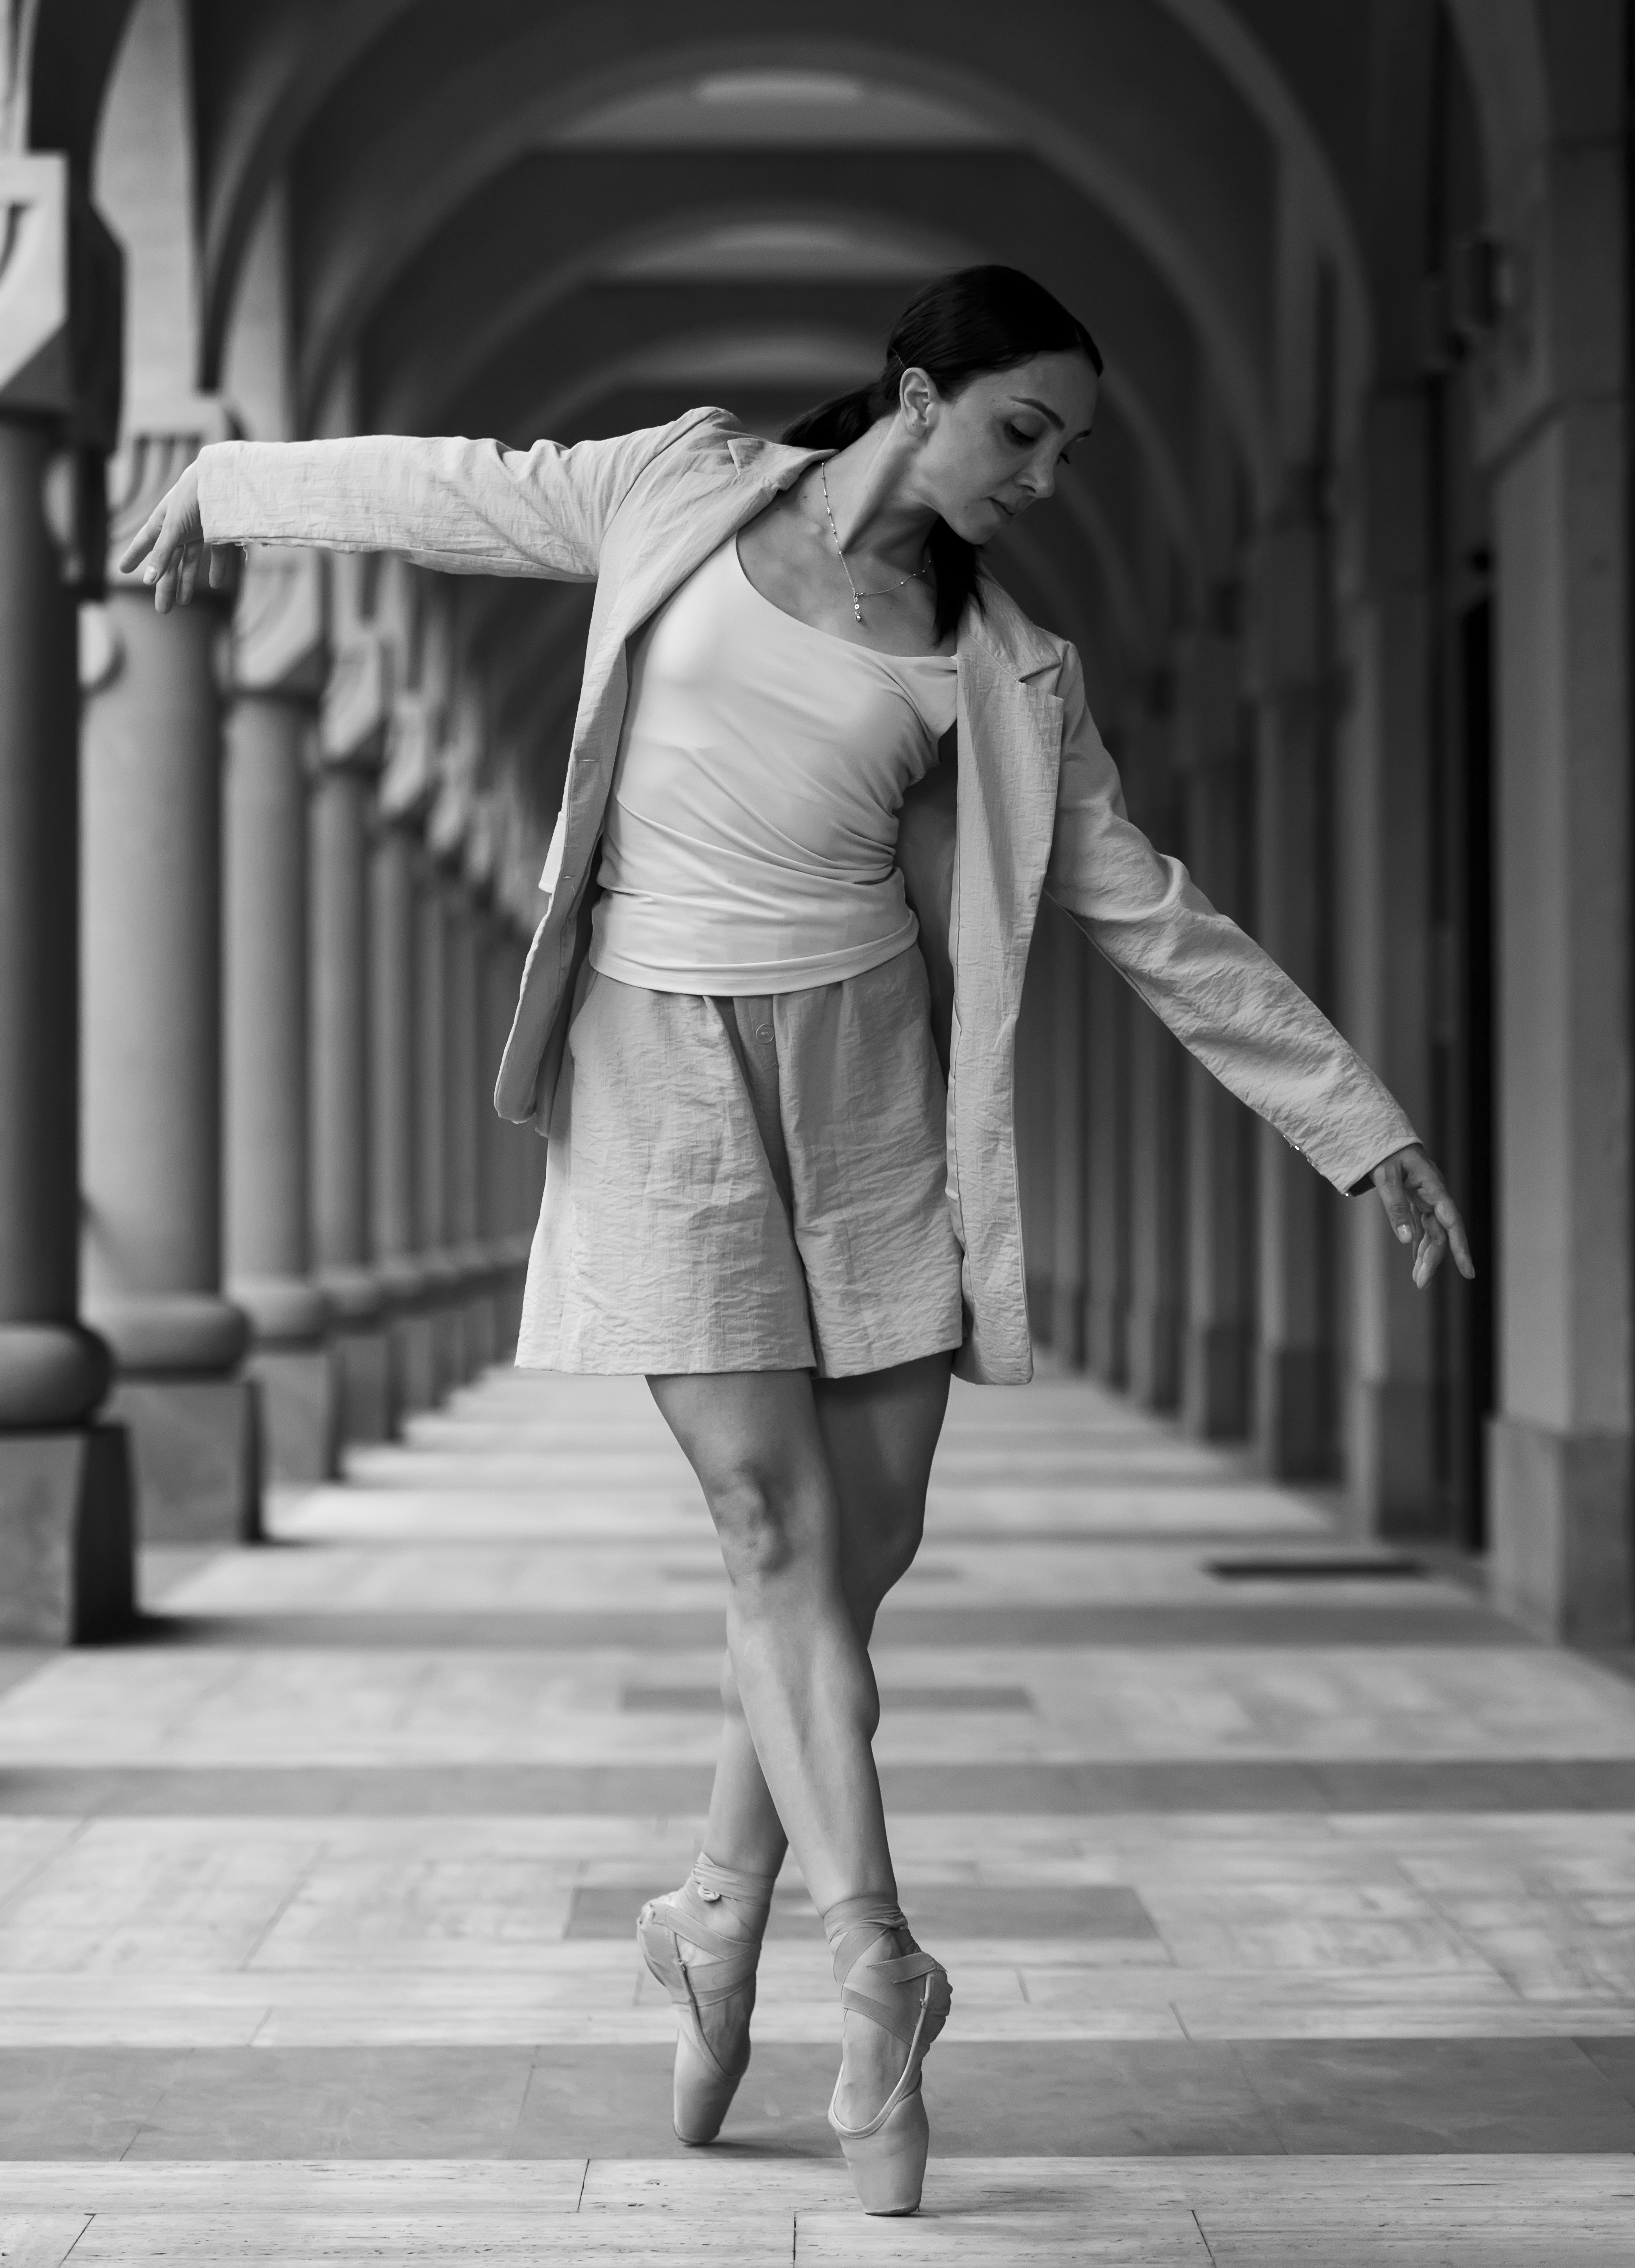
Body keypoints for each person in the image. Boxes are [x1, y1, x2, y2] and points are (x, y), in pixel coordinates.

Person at [118, 264, 1472, 2218]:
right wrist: (231, 484)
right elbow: (464, 488)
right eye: (1021, 428)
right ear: (915, 396)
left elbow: (1149, 914)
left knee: (856, 1551)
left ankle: (709, 1914)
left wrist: (1353, 1121)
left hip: (865, 1098)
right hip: (656, 1065)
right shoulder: (678, 490)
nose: (1044, 476)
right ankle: (878, 1968)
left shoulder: (1008, 674)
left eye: (1071, 452)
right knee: (772, 1538)